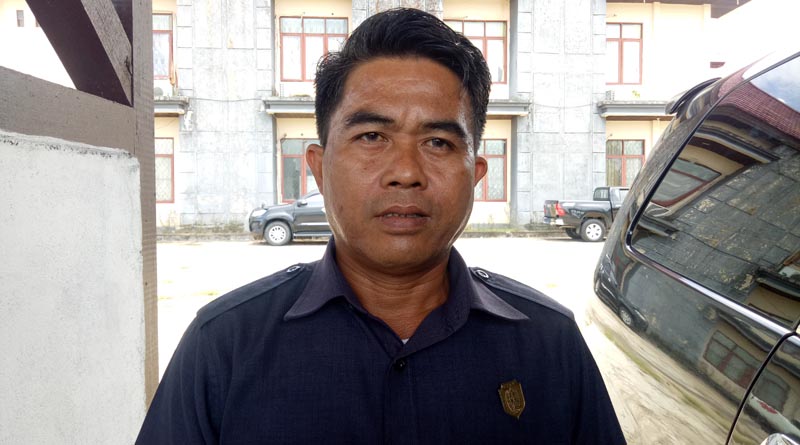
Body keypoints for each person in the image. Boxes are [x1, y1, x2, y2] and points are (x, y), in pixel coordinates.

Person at [137, 8, 626, 444]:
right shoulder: (224, 346)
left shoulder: (549, 343)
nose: (406, 172)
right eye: (372, 136)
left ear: (475, 175)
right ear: (319, 168)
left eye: (438, 142)